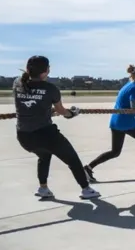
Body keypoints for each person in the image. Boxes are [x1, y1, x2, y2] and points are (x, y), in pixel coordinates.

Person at [13, 55, 100, 199]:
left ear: (27, 69)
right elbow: (61, 111)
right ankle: (86, 189)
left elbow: (33, 104)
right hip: (45, 134)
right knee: (72, 159)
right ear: (46, 71)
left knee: (44, 155)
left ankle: (43, 188)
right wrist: (72, 113)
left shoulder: (17, 83)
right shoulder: (50, 88)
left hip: (24, 136)